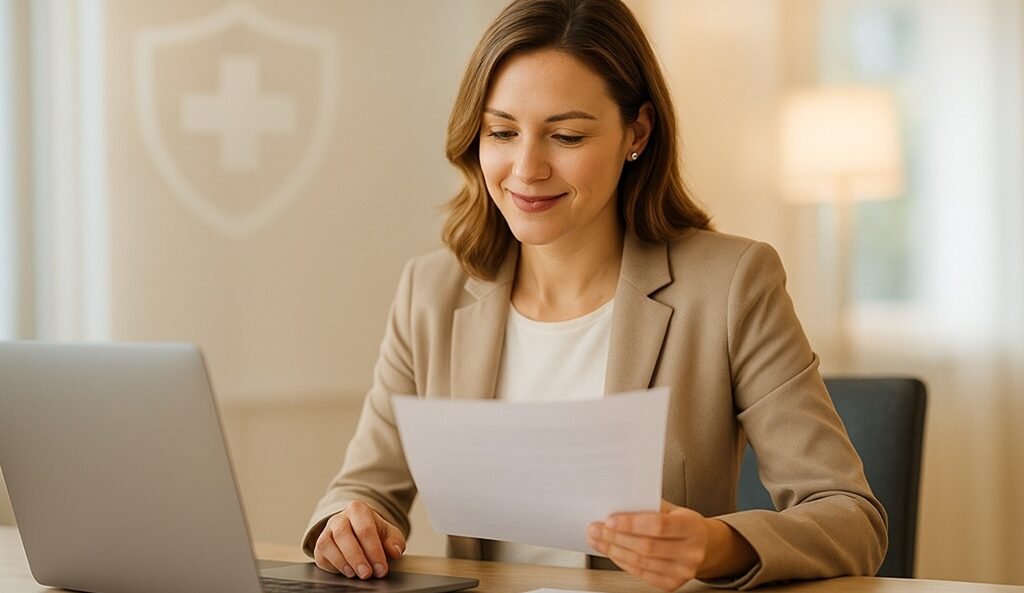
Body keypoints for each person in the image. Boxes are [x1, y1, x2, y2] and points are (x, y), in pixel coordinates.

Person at [303, 0, 887, 590]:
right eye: (501, 131)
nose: (526, 169)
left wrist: (716, 545)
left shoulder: (731, 284)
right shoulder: (431, 292)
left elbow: (849, 516)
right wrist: (348, 525)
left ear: (636, 132)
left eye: (566, 135)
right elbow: (364, 486)